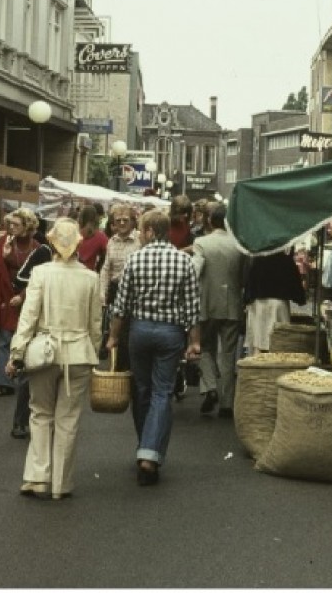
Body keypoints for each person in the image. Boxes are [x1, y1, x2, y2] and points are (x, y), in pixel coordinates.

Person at [5, 218, 101, 500]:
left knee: (40, 413)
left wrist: (17, 353)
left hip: (44, 351)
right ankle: (61, 483)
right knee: (68, 420)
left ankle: (37, 478)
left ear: (52, 243)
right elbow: (96, 323)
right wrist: (93, 354)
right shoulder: (91, 277)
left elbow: (28, 317)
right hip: (79, 353)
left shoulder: (41, 274)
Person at [107, 208, 200, 487]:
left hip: (140, 331)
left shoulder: (134, 260)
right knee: (162, 392)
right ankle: (150, 453)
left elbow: (120, 306)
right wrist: (194, 341)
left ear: (149, 231)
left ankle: (144, 446)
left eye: (142, 230)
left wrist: (113, 337)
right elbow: (193, 308)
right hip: (171, 334)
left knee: (142, 389)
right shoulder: (184, 261)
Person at [192, 203, 246, 418]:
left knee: (205, 347)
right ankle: (227, 403)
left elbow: (195, 271)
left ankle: (211, 386)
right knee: (228, 354)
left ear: (209, 221)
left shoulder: (202, 243)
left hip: (207, 304)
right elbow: (243, 276)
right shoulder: (238, 245)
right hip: (232, 304)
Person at [0, 208, 40, 396]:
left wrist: (23, 296)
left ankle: (25, 380)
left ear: (27, 226)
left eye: (16, 224)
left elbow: (39, 277)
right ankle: (3, 381)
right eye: (10, 224)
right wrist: (5, 256)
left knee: (26, 340)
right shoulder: (4, 242)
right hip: (7, 298)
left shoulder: (37, 248)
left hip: (28, 299)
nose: (11, 227)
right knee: (4, 339)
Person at [9, 237, 55, 439]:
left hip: (59, 325)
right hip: (40, 322)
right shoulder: (44, 252)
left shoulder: (75, 263)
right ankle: (20, 422)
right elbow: (19, 278)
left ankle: (46, 422)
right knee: (29, 372)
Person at [99, 204, 141, 367]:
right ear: (113, 224)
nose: (122, 223)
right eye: (118, 221)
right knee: (115, 334)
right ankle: (119, 372)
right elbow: (106, 268)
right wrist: (102, 293)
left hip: (135, 292)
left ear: (133, 222)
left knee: (130, 334)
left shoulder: (139, 240)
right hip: (116, 292)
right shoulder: (111, 242)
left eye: (126, 220)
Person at [244, 249, 306, 356]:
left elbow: (249, 283)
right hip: (279, 305)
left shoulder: (257, 259)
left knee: (258, 343)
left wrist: (246, 301)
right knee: (279, 344)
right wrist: (300, 299)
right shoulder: (286, 261)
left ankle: (255, 369)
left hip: (259, 305)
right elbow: (296, 287)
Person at [77, 204, 108, 272]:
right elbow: (108, 254)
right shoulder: (101, 237)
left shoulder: (74, 233)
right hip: (91, 273)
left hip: (73, 271)